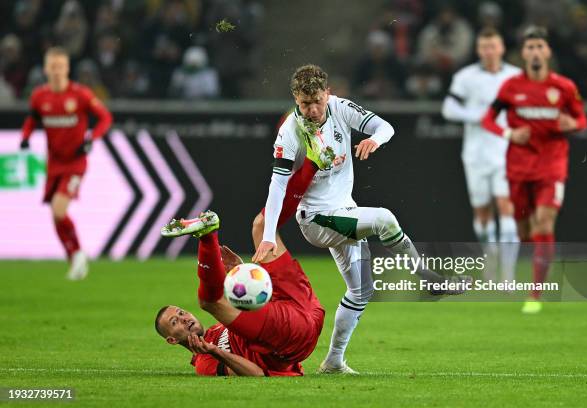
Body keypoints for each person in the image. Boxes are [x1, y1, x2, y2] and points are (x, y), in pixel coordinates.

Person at [253, 64, 470, 374]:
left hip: (344, 211)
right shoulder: (290, 132)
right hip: (317, 219)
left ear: (328, 93)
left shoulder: (340, 108)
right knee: (384, 219)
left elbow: (386, 127)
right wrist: (268, 236)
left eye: (317, 101)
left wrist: (375, 140)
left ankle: (333, 362)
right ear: (295, 99)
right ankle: (429, 279)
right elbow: (278, 185)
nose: (312, 110)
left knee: (360, 291)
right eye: (304, 103)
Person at [481, 26, 587, 314]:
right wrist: (509, 135)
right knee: (525, 229)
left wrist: (572, 125)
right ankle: (540, 264)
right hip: (518, 167)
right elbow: (488, 120)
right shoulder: (511, 88)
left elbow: (581, 120)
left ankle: (536, 294)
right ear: (523, 53)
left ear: (548, 52)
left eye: (540, 46)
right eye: (530, 48)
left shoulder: (564, 87)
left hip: (551, 166)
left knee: (544, 223)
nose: (535, 52)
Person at [155, 210, 325, 376]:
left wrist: (239, 270)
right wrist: (215, 351)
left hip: (301, 305)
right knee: (210, 302)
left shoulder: (217, 328)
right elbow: (257, 373)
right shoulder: (205, 363)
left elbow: (259, 312)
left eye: (181, 313)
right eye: (175, 321)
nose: (184, 319)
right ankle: (207, 236)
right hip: (291, 337)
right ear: (172, 340)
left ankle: (301, 182)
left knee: (262, 226)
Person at [20, 47, 113, 280]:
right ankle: (74, 257)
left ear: (67, 68)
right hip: (54, 163)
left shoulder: (80, 95)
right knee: (55, 215)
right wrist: (25, 137)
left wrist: (92, 138)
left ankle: (78, 254)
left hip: (75, 162)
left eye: (60, 66)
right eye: (52, 66)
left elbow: (105, 118)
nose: (56, 71)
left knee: (59, 210)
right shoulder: (39, 97)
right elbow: (32, 120)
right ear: (45, 69)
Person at [442, 27, 521, 283]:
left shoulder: (516, 76)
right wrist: (477, 117)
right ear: (478, 50)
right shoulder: (466, 77)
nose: (489, 51)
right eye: (484, 47)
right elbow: (449, 108)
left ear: (501, 48)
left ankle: (508, 275)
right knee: (483, 214)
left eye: (493, 46)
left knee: (507, 210)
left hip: (507, 152)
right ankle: (491, 256)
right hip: (475, 154)